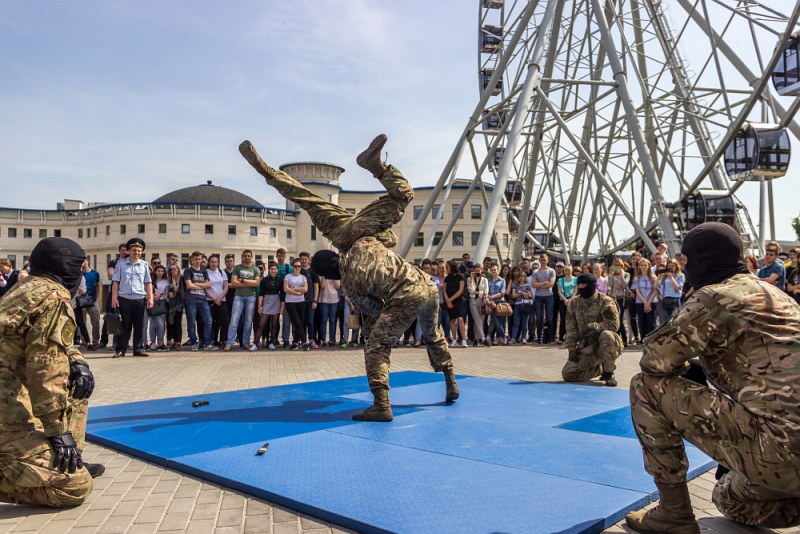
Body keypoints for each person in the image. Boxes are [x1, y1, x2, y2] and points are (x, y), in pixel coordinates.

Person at [240, 134, 459, 421]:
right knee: (433, 333)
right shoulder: (364, 240)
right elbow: (388, 237)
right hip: (426, 286)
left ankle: (382, 404)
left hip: (404, 294)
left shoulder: (351, 280)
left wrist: (375, 328)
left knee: (377, 347)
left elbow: (379, 311)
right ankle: (450, 380)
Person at [625, 222, 800, 533]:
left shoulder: (715, 296)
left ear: (698, 261)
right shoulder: (777, 296)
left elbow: (655, 360)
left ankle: (673, 513)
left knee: (645, 387)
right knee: (729, 498)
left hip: (782, 449)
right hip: (786, 446)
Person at [0, 237, 104, 507]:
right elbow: (45, 369)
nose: (80, 273)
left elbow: (50, 342)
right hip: (6, 413)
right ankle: (61, 470)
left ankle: (67, 460)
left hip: (10, 394)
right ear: (64, 267)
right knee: (76, 488)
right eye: (77, 267)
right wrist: (59, 431)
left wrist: (78, 361)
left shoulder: (26, 288)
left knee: (76, 388)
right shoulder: (54, 296)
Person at [561, 273, 623, 387]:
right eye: (578, 285)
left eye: (583, 285)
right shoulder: (574, 303)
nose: (580, 287)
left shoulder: (606, 302)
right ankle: (599, 368)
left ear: (592, 285)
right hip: (587, 347)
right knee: (568, 375)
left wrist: (593, 326)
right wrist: (571, 350)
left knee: (607, 335)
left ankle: (609, 372)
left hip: (606, 344)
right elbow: (570, 328)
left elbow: (613, 325)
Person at [111, 238, 153, 358]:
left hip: (139, 298)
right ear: (129, 251)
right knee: (124, 325)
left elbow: (148, 282)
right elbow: (115, 282)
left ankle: (138, 349)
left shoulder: (144, 265)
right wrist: (114, 297)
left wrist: (150, 298)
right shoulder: (120, 264)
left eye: (139, 251)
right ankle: (121, 349)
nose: (137, 253)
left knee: (139, 325)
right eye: (134, 250)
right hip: (124, 298)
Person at [224, 250, 261, 351]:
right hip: (239, 296)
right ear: (242, 257)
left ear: (251, 257)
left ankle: (246, 342)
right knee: (234, 320)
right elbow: (234, 283)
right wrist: (250, 283)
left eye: (249, 256)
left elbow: (256, 283)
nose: (247, 257)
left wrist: (243, 280)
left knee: (248, 321)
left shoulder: (255, 269)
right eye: (245, 256)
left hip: (251, 297)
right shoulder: (237, 267)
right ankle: (229, 343)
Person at [182, 251, 219, 352]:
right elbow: (189, 285)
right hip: (191, 300)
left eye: (199, 259)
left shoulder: (204, 271)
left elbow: (209, 285)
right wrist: (202, 284)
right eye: (196, 259)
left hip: (202, 300)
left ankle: (207, 343)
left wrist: (196, 284)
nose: (198, 261)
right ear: (192, 260)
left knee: (208, 321)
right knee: (192, 322)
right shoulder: (188, 271)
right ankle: (194, 343)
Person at [254, 262, 284, 350]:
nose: (273, 271)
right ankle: (255, 343)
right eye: (272, 269)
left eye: (275, 269)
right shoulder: (265, 280)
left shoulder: (280, 281)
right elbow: (261, 293)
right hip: (266, 301)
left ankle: (271, 342)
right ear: (269, 270)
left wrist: (282, 307)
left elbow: (282, 295)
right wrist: (260, 305)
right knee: (261, 324)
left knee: (274, 324)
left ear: (277, 270)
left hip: (276, 302)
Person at [530, 253, 556, 344]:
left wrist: (539, 284)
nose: (543, 261)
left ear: (547, 260)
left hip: (549, 296)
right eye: (541, 260)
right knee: (539, 318)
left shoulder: (551, 271)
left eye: (544, 260)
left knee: (550, 317)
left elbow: (551, 284)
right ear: (539, 261)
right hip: (538, 296)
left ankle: (551, 337)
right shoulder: (536, 272)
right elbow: (534, 285)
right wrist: (545, 283)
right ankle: (539, 337)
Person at [283, 258, 309, 350]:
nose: (297, 268)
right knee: (296, 322)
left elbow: (305, 289)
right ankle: (305, 341)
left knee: (300, 323)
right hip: (290, 302)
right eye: (295, 266)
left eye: (299, 266)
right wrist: (297, 292)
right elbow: (286, 289)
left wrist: (293, 289)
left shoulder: (303, 277)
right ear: (292, 267)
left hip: (301, 302)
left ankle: (295, 342)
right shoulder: (288, 276)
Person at [632, 258, 658, 339]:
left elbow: (655, 291)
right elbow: (637, 291)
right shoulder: (637, 277)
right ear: (639, 266)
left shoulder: (653, 277)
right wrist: (645, 303)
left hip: (652, 301)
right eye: (642, 265)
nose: (643, 267)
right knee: (642, 322)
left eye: (645, 265)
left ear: (649, 266)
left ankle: (652, 340)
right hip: (640, 302)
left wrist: (648, 302)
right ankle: (644, 340)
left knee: (651, 323)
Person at [205, 256, 229, 347]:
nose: (214, 263)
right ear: (209, 262)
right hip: (210, 300)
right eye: (212, 262)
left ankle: (223, 340)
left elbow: (226, 287)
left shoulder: (222, 272)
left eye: (215, 261)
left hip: (221, 300)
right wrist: (214, 299)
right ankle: (212, 339)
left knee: (224, 321)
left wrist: (219, 298)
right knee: (212, 321)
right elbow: (205, 288)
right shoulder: (206, 272)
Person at [444, 260, 467, 348]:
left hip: (458, 300)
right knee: (452, 320)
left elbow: (460, 290)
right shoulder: (447, 278)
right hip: (449, 300)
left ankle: (464, 340)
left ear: (452, 267)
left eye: (447, 267)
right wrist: (447, 299)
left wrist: (451, 299)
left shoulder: (460, 277)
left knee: (460, 319)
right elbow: (444, 290)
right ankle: (454, 339)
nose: (446, 269)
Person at [607, 258, 629, 346]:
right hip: (613, 297)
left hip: (621, 298)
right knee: (614, 319)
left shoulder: (626, 274)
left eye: (619, 265)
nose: (617, 267)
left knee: (619, 319)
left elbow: (625, 285)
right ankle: (617, 339)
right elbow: (610, 285)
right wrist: (611, 275)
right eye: (615, 266)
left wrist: (621, 276)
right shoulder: (611, 276)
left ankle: (624, 339)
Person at [274, 248, 293, 348]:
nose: (281, 257)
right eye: (279, 255)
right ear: (276, 256)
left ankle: (285, 339)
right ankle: (273, 338)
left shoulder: (289, 268)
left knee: (286, 320)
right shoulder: (273, 268)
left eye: (282, 256)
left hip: (287, 297)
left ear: (285, 256)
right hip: (275, 298)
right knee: (274, 320)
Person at [80, 260, 101, 350]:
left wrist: (96, 297)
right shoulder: (78, 274)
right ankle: (84, 342)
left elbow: (97, 285)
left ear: (87, 261)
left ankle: (96, 341)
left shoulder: (95, 273)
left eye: (84, 261)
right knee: (82, 322)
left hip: (92, 300)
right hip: (81, 300)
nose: (83, 263)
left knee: (96, 322)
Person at [318, 267, 340, 347]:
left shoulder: (335, 274)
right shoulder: (320, 274)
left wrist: (333, 276)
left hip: (334, 299)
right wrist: (324, 275)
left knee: (332, 321)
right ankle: (323, 340)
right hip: (323, 299)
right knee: (323, 320)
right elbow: (322, 286)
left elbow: (337, 286)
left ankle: (331, 340)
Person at [468, 264, 490, 346]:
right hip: (473, 300)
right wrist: (471, 279)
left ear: (481, 271)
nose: (477, 272)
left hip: (482, 301)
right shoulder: (470, 279)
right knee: (477, 319)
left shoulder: (485, 280)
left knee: (481, 319)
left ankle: (476, 339)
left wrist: (476, 292)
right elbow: (470, 290)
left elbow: (486, 292)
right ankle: (483, 338)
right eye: (476, 271)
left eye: (479, 270)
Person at [149, 265, 169, 351]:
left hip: (161, 304)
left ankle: (160, 342)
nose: (160, 272)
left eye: (162, 271)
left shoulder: (166, 281)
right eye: (158, 271)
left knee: (161, 324)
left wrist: (163, 299)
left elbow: (166, 293)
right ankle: (153, 342)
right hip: (152, 303)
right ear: (155, 272)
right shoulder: (151, 281)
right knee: (153, 324)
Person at [555, 263, 577, 344]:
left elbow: (576, 290)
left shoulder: (576, 279)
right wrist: (565, 300)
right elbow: (559, 292)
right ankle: (561, 336)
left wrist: (571, 299)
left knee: (572, 319)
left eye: (569, 270)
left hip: (572, 300)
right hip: (563, 301)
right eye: (566, 270)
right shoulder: (560, 280)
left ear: (572, 270)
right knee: (563, 319)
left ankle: (571, 337)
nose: (567, 272)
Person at [487, 264, 508, 345]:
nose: (493, 271)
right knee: (495, 321)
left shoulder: (502, 280)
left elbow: (502, 293)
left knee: (500, 321)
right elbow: (487, 292)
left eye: (495, 270)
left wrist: (492, 297)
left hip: (500, 303)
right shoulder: (488, 281)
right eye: (492, 270)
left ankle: (499, 338)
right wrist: (491, 301)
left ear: (498, 271)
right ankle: (503, 337)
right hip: (491, 304)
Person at [658, 258, 684, 322]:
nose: (670, 268)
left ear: (676, 267)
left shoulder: (680, 275)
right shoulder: (665, 276)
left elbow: (678, 288)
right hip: (666, 299)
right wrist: (659, 276)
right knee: (667, 320)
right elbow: (657, 285)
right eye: (669, 266)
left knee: (675, 320)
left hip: (675, 299)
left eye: (672, 266)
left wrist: (671, 277)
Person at [166, 264, 185, 350]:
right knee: (171, 323)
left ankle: (178, 342)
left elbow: (177, 289)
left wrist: (174, 280)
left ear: (178, 269)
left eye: (174, 269)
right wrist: (169, 294)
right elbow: (167, 292)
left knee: (178, 323)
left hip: (178, 305)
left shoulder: (181, 279)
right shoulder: (168, 281)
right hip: (170, 305)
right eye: (171, 270)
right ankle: (174, 341)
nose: (173, 271)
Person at [511, 271, 533, 344]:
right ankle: (513, 338)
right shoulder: (515, 285)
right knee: (516, 323)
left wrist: (522, 293)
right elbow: (513, 296)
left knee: (525, 323)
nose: (520, 278)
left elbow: (528, 296)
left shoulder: (528, 286)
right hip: (517, 304)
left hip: (525, 305)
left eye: (522, 276)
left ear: (524, 277)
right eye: (519, 277)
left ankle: (523, 337)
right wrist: (519, 294)